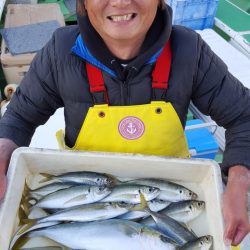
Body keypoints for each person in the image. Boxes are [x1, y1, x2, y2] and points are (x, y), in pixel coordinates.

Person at [0, 0, 249, 246]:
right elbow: (19, 117)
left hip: (173, 189)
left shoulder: (189, 50)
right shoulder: (60, 50)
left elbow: (244, 116)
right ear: (83, 3)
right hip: (81, 187)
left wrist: (237, 186)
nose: (120, 2)